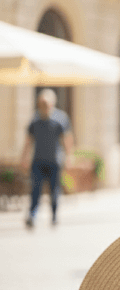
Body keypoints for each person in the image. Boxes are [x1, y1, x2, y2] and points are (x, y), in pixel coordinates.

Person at [19, 89, 74, 228]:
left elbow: (66, 139)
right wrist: (24, 158)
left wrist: (69, 157)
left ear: (52, 104)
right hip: (38, 160)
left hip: (54, 161)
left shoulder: (60, 119)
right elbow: (28, 141)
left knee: (54, 190)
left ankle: (54, 216)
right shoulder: (35, 120)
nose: (43, 106)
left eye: (46, 104)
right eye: (41, 104)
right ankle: (32, 215)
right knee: (35, 190)